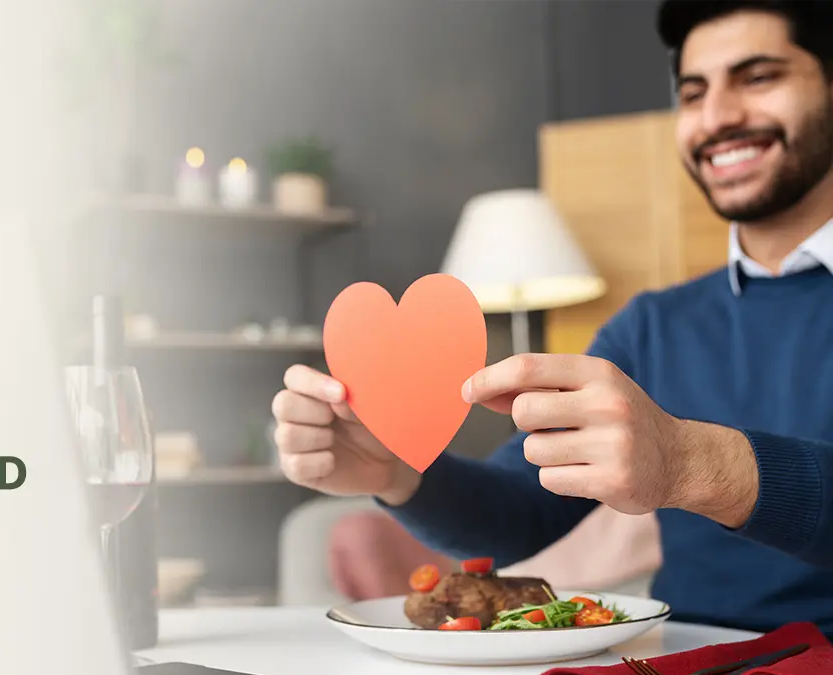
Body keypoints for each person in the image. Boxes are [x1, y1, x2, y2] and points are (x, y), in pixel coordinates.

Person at [271, 0, 833, 635]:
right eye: (694, 92)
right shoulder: (650, 327)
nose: (719, 116)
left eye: (759, 78)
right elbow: (522, 514)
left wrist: (689, 463)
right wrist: (395, 473)